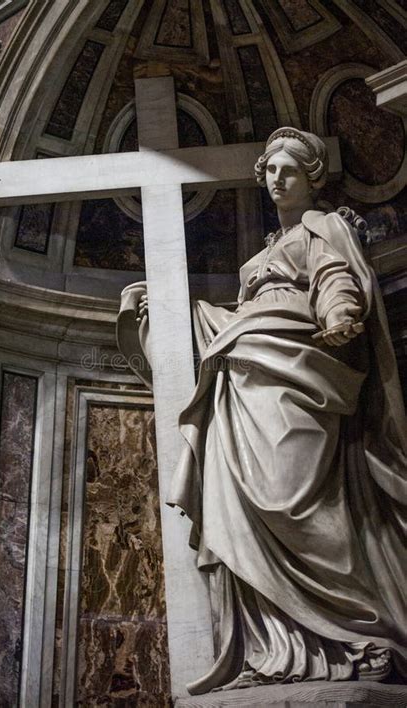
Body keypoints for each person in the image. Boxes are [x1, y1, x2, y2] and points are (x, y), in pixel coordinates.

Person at [118, 128, 407, 694]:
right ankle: (283, 642)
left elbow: (335, 277)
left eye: (289, 171)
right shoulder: (264, 251)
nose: (277, 180)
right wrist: (174, 311)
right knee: (247, 500)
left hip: (299, 368)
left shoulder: (323, 227)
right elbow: (245, 310)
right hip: (246, 373)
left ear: (311, 178)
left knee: (292, 498)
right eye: (270, 170)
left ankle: (359, 626)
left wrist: (340, 314)